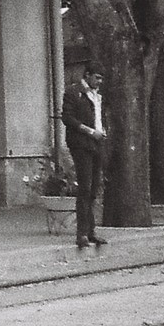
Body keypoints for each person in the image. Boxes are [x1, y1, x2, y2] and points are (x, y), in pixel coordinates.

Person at [62, 65, 108, 249]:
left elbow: (99, 116)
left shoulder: (97, 96)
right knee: (85, 186)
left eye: (101, 79)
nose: (99, 82)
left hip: (96, 142)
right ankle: (81, 233)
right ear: (87, 75)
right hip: (81, 143)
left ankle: (91, 231)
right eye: (96, 78)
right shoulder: (74, 92)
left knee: (95, 187)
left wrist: (103, 131)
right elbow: (67, 118)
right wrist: (90, 132)